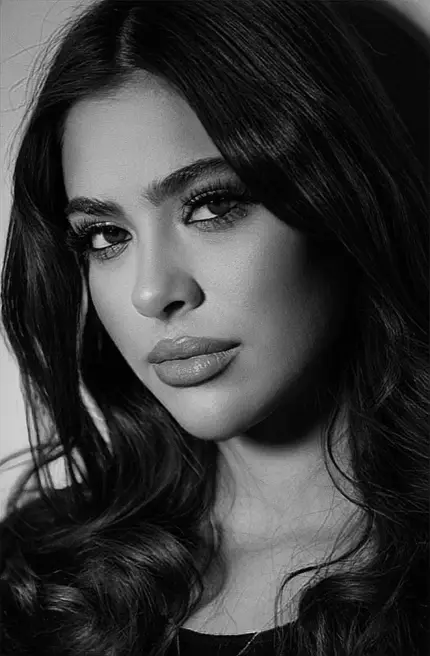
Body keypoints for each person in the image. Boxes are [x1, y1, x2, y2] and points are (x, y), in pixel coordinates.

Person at [0, 0, 428, 654]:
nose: (151, 293)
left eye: (212, 204)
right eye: (105, 235)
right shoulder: (37, 577)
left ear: (341, 199)